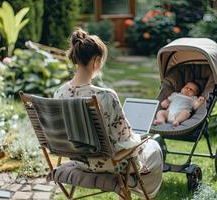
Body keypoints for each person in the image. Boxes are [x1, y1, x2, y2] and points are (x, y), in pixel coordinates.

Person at [54, 28, 163, 198]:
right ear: (96, 61)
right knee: (154, 147)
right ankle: (139, 192)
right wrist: (140, 139)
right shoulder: (105, 96)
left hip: (78, 161)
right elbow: (125, 139)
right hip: (110, 165)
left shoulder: (59, 93)